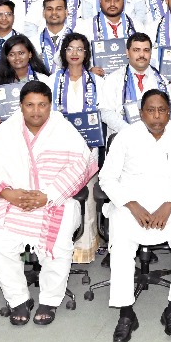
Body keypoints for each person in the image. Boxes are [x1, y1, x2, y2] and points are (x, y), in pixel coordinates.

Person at [0, 81, 94, 326]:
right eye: (30, 105)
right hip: (12, 200)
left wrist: (47, 196)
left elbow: (81, 165)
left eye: (42, 105)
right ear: (21, 106)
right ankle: (18, 299)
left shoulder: (64, 129)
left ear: (50, 106)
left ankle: (50, 300)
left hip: (55, 200)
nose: (36, 111)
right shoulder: (6, 131)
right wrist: (8, 194)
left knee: (58, 244)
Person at [99, 89, 171, 342]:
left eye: (162, 110)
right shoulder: (125, 136)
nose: (157, 116)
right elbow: (107, 178)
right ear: (141, 113)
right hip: (130, 206)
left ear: (169, 112)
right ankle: (126, 313)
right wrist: (131, 204)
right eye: (151, 110)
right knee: (120, 245)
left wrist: (169, 205)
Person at [50, 33, 106, 263]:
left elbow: (104, 113)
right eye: (70, 48)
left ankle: (85, 246)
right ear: (63, 52)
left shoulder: (97, 82)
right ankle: (59, 244)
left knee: (88, 197)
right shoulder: (52, 80)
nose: (74, 53)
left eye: (80, 49)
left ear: (86, 53)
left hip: (88, 150)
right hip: (58, 149)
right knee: (60, 196)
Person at [99, 33, 170, 138]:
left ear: (151, 53)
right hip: (123, 138)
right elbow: (105, 112)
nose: (142, 55)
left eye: (146, 50)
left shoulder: (162, 82)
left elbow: (169, 112)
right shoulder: (113, 79)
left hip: (156, 140)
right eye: (136, 50)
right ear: (127, 53)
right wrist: (129, 131)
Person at [36, 0, 73, 71]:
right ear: (44, 13)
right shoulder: (33, 41)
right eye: (49, 9)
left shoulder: (78, 41)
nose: (54, 12)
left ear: (66, 12)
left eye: (59, 9)